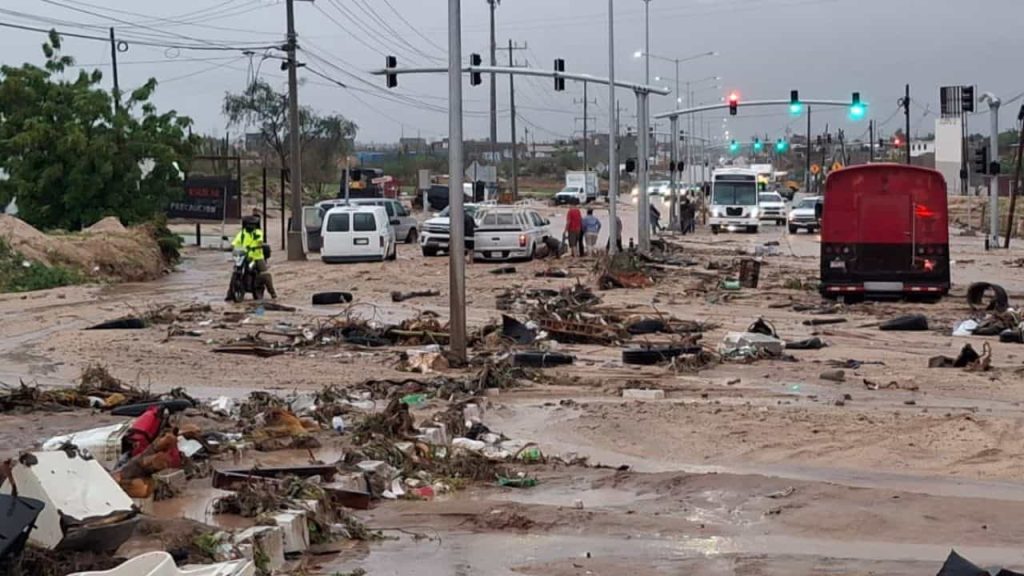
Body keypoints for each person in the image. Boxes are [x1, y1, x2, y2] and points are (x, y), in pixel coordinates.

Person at [229, 214, 277, 300]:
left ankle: (272, 292)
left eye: (252, 224)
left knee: (265, 274)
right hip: (244, 256)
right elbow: (235, 243)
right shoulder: (242, 234)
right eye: (248, 224)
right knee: (235, 271)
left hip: (257, 257)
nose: (250, 226)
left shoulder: (258, 233)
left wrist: (258, 245)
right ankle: (229, 294)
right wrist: (232, 247)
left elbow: (259, 241)